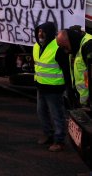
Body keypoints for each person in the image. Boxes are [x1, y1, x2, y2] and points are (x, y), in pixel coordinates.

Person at [33, 22, 71, 152]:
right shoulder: (36, 47)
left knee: (57, 115)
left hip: (54, 89)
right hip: (41, 87)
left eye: (43, 32)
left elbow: (66, 70)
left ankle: (59, 140)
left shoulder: (58, 47)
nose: (40, 34)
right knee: (41, 112)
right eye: (39, 31)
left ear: (50, 33)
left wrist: (68, 89)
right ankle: (48, 134)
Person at [56, 27, 92, 108]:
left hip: (88, 103)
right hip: (82, 102)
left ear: (71, 40)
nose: (66, 51)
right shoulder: (74, 47)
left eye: (65, 47)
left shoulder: (88, 46)